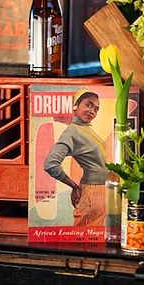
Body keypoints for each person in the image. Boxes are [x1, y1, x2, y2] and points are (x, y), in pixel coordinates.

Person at [44, 89, 108, 226]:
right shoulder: (72, 131)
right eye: (88, 105)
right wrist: (74, 187)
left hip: (100, 191)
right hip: (91, 192)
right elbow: (51, 164)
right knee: (81, 239)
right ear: (76, 105)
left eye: (96, 109)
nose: (92, 111)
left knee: (91, 240)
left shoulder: (86, 129)